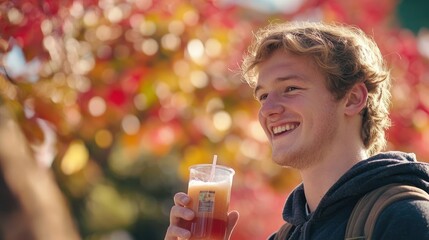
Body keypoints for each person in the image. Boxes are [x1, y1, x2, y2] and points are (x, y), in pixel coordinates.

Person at [165, 21, 429, 240]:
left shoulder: (404, 219)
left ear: (352, 99)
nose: (267, 110)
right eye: (263, 96)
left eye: (290, 88)